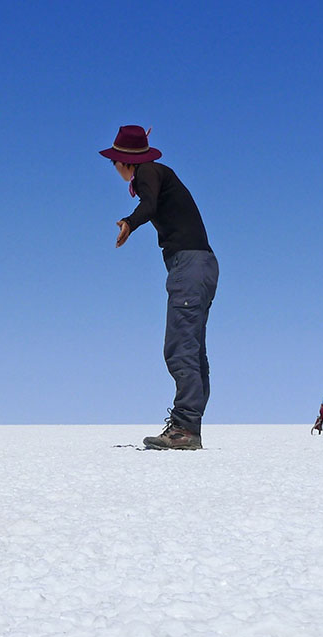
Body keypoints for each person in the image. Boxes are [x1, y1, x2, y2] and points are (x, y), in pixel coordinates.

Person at [100, 125, 219, 450]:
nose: (115, 169)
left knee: (180, 349)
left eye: (115, 162)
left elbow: (149, 205)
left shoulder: (147, 173)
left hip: (190, 267)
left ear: (126, 162)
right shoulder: (158, 172)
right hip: (203, 265)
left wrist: (130, 222)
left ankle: (184, 428)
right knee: (193, 351)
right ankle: (188, 426)